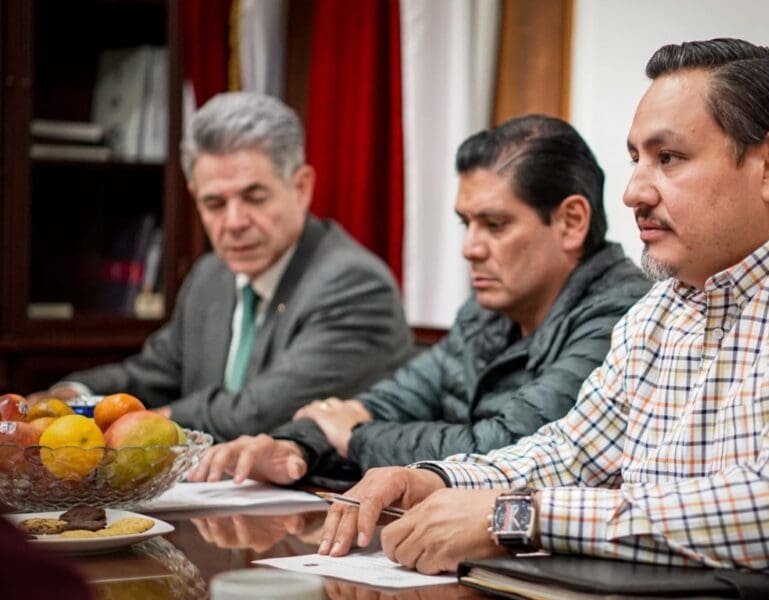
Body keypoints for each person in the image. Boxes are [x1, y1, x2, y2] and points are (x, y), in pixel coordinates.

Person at [316, 39, 769, 598]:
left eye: (668, 158)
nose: (635, 191)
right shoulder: (668, 303)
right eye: (636, 159)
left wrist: (514, 516)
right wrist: (435, 479)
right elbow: (572, 453)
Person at [189, 115, 650, 486]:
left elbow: (507, 449)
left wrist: (356, 437)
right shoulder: (485, 312)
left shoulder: (622, 315)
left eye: (494, 225)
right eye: (465, 224)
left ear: (570, 222)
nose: (469, 248)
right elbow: (392, 399)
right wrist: (295, 446)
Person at [40, 92, 413, 441]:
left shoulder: (355, 284)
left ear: (301, 188)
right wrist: (69, 400)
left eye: (255, 197)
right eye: (215, 204)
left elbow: (260, 413)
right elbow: (154, 374)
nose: (234, 222)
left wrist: (138, 427)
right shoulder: (210, 275)